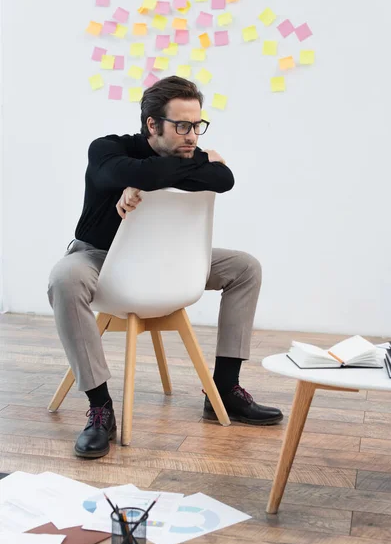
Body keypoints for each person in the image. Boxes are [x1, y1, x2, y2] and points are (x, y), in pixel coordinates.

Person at [47, 76, 283, 459]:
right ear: (152, 125)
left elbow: (225, 178)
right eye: (182, 126)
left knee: (246, 268)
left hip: (170, 261)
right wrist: (140, 177)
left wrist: (144, 181)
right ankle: (101, 407)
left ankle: (223, 388)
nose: (193, 136)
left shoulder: (186, 154)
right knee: (63, 278)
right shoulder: (107, 150)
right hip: (102, 261)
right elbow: (166, 172)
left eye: (197, 126)